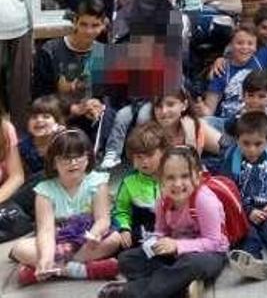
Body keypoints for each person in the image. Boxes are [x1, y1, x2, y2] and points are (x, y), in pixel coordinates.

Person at [99, 146, 228, 298]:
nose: (178, 184)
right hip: (174, 255)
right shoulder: (162, 201)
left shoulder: (204, 200)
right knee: (126, 259)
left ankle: (132, 292)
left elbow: (214, 242)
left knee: (191, 264)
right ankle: (182, 288)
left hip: (208, 255)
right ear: (161, 179)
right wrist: (156, 243)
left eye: (185, 176)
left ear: (198, 177)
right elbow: (161, 231)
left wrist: (177, 245)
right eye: (170, 177)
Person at [11, 129, 121, 285]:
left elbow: (103, 219)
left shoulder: (97, 182)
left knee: (114, 239)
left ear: (88, 158)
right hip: (58, 241)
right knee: (20, 248)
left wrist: (94, 235)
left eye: (79, 156)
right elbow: (46, 230)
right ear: (54, 162)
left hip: (86, 240)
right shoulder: (44, 190)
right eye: (66, 158)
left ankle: (48, 270)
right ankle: (84, 270)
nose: (73, 162)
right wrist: (45, 258)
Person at [222, 111, 267, 281]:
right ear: (237, 140)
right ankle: (253, 263)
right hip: (243, 213)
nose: (252, 149)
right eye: (246, 143)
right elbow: (227, 194)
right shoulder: (232, 160)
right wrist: (247, 210)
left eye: (258, 144)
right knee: (246, 234)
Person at [33, 0, 107, 100]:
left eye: (95, 25)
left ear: (103, 25)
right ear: (75, 22)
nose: (88, 31)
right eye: (83, 24)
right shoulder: (50, 51)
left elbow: (108, 97)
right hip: (58, 111)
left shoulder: (104, 53)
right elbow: (41, 97)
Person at [198, 24, 267, 120]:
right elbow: (209, 109)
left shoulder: (263, 57)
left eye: (250, 43)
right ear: (231, 45)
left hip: (258, 119)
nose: (245, 47)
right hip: (228, 122)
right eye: (239, 43)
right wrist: (201, 110)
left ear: (256, 47)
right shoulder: (221, 69)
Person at [0, 0, 33, 133]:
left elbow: (27, 4)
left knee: (20, 88)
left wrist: (31, 37)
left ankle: (19, 136)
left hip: (20, 34)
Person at [112, 123, 166, 249]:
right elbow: (121, 211)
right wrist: (124, 229)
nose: (144, 162)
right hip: (141, 235)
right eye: (139, 157)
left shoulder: (173, 178)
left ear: (163, 152)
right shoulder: (129, 182)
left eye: (150, 155)